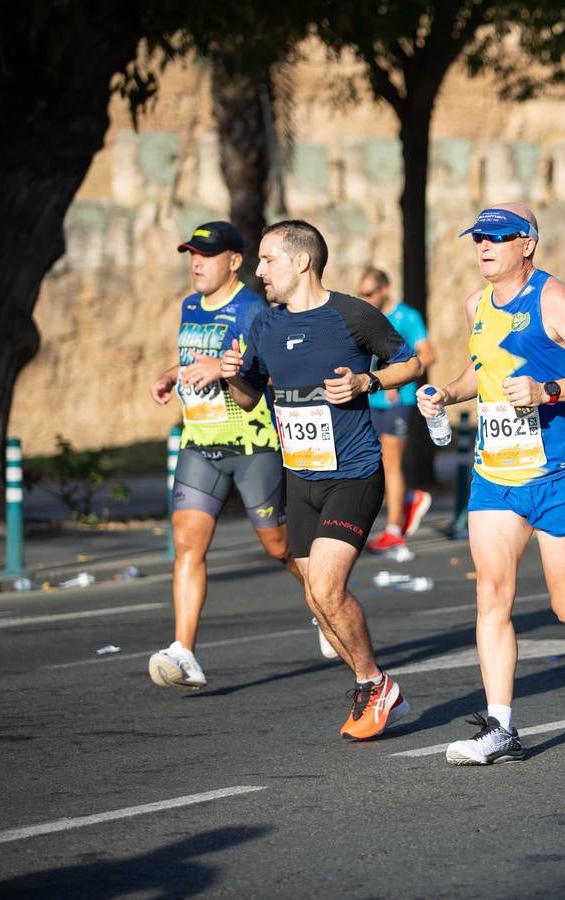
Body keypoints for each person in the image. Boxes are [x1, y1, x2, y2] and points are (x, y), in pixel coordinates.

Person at [416, 203, 565, 767]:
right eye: (478, 238)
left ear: (528, 244)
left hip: (558, 471)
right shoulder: (475, 304)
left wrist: (548, 390)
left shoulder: (553, 298)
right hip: (495, 473)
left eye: (497, 237)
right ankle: (501, 727)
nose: (484, 247)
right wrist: (447, 393)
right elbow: (485, 369)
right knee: (491, 596)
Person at [219, 219, 422, 740]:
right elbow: (249, 397)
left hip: (352, 474)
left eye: (267, 260)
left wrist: (366, 380)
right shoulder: (266, 324)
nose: (259, 271)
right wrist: (231, 376)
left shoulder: (352, 315)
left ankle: (377, 685)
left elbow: (411, 363)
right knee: (314, 595)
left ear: (302, 261)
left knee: (328, 591)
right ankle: (369, 682)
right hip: (299, 478)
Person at [146, 221, 308, 690]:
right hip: (199, 443)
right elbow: (198, 355)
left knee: (278, 546)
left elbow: (276, 370)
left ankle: (325, 601)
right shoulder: (191, 305)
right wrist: (170, 372)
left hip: (252, 444)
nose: (196, 263)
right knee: (187, 546)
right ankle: (184, 651)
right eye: (192, 254)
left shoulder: (253, 309)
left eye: (207, 255)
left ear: (235, 261)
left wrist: (223, 368)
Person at [357, 268, 438, 552]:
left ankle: (393, 531)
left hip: (397, 402)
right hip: (370, 400)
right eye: (360, 294)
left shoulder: (407, 317)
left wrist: (395, 376)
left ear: (385, 290)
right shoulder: (365, 317)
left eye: (369, 293)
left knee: (391, 463)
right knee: (375, 464)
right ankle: (409, 499)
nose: (364, 299)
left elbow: (427, 355)